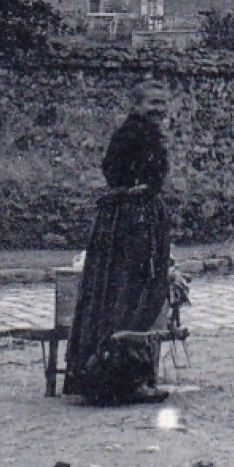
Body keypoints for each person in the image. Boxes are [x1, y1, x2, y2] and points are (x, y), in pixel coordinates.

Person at [63, 80, 174, 404]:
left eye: (163, 104)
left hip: (129, 219)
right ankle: (122, 378)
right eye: (152, 103)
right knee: (133, 294)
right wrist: (134, 194)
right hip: (132, 224)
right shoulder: (134, 134)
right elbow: (116, 172)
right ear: (136, 105)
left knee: (120, 293)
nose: (159, 110)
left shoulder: (142, 133)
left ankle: (109, 373)